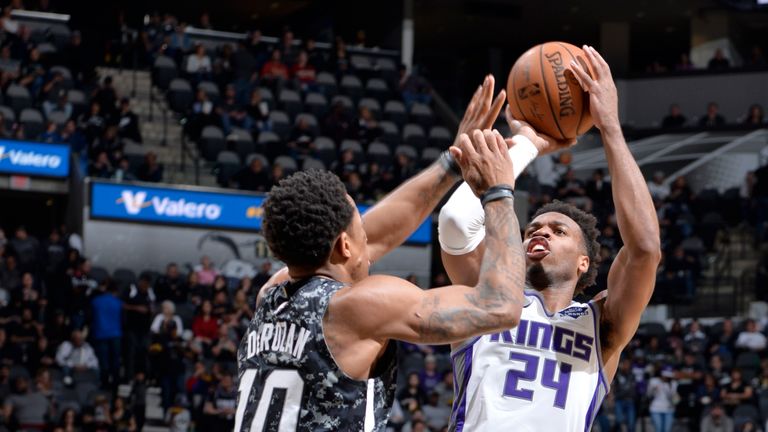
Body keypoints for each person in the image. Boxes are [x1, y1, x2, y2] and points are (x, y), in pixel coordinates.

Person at [235, 75, 528, 431]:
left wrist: (452, 164)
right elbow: (500, 307)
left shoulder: (271, 295)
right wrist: (498, 193)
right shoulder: (358, 306)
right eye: (360, 227)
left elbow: (375, 237)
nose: (369, 235)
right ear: (343, 246)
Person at [437, 46, 661, 431]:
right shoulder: (487, 296)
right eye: (532, 229)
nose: (540, 231)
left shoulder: (602, 323)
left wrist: (609, 126)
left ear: (583, 262)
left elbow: (644, 250)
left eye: (559, 231)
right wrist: (529, 145)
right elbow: (457, 224)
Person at [648, 368, 678, 432]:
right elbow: (649, 394)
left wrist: (668, 386)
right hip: (656, 409)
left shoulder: (673, 383)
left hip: (669, 409)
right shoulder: (653, 381)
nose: (666, 378)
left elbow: (672, 397)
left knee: (667, 430)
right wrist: (653, 389)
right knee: (658, 429)